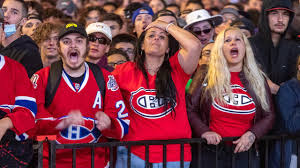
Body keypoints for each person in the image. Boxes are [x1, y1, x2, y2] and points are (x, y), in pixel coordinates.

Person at [31, 22, 129, 168]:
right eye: (66, 41)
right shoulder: (42, 77)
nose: (73, 46)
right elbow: (29, 121)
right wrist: (58, 124)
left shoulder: (105, 78)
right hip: (52, 163)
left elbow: (124, 123)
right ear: (58, 48)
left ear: (87, 47)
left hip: (96, 163)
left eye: (79, 41)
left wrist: (109, 124)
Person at [113, 19, 202, 167]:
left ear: (168, 48)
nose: (156, 38)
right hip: (134, 153)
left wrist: (165, 25)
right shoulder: (124, 70)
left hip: (174, 154)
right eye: (151, 35)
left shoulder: (177, 68)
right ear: (141, 45)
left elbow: (194, 46)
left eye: (162, 37)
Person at [187, 27, 274, 168]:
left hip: (245, 153)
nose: (233, 43)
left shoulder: (258, 78)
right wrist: (204, 131)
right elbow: (190, 108)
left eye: (238, 39)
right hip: (210, 152)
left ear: (245, 47)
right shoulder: (205, 74)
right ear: (220, 48)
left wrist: (252, 134)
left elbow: (269, 115)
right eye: (227, 40)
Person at [249, 0, 300, 95]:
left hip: (287, 107)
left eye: (285, 14)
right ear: (265, 16)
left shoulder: (296, 48)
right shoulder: (249, 44)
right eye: (274, 13)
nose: (280, 19)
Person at [0, 55, 37, 167]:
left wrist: (4, 123)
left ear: (1, 36)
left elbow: (28, 113)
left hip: (12, 150)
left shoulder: (16, 69)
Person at [0, 0, 43, 77]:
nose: (6, 15)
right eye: (4, 10)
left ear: (23, 21)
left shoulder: (29, 53)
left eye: (14, 12)